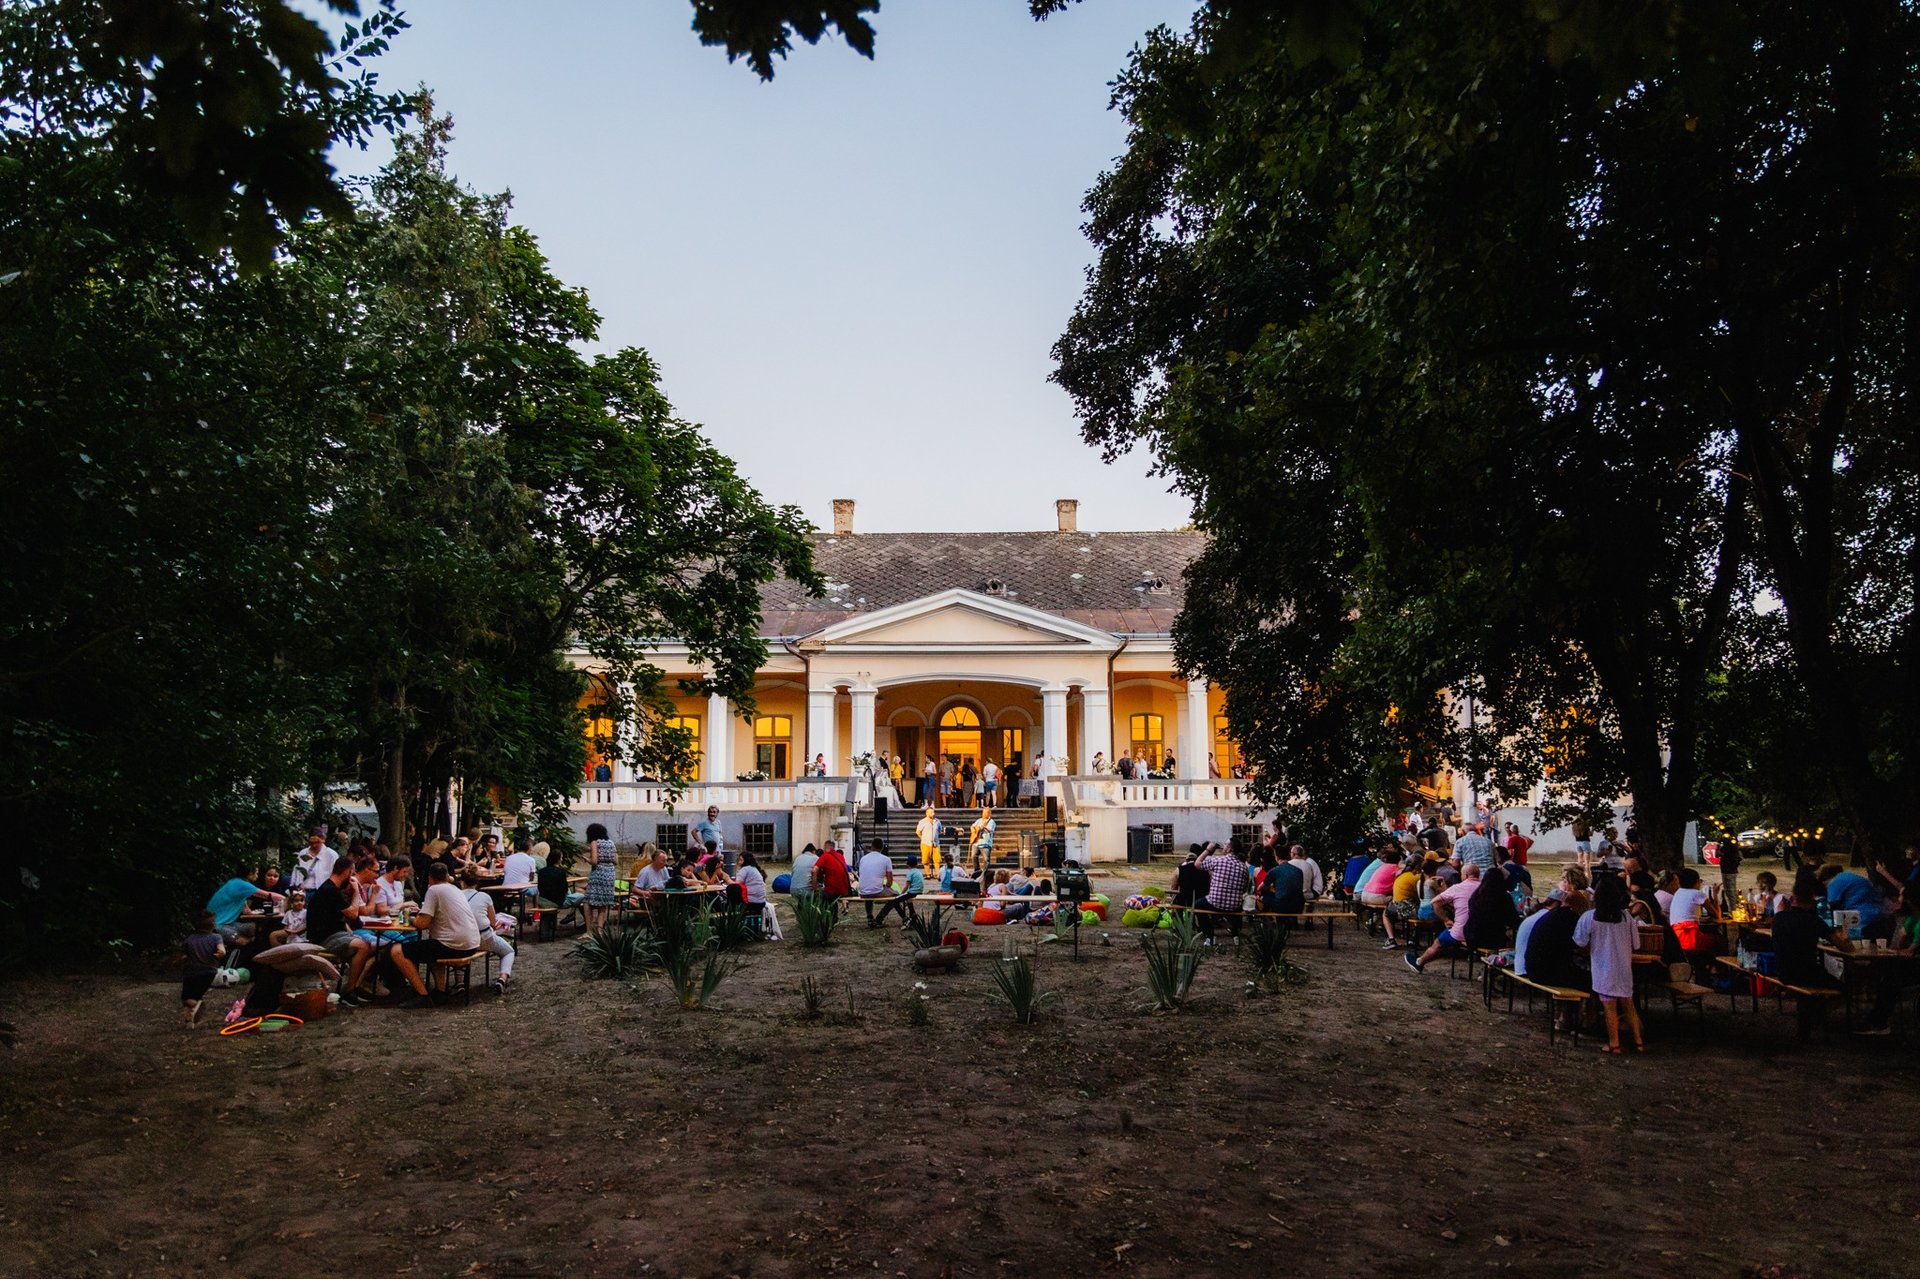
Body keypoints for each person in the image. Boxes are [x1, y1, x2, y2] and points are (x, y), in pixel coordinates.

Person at [1769, 869, 1846, 1041]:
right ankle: (1821, 1016)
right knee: (1845, 990)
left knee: (1811, 992)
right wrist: (1843, 934)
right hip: (1807, 972)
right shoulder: (1813, 921)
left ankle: (1814, 1017)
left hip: (1782, 970)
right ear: (1812, 898)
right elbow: (1844, 947)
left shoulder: (1780, 918)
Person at [389, 863, 480, 1007]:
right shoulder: (454, 889)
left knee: (396, 951)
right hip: (472, 943)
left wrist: (411, 919)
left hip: (453, 945)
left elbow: (422, 924)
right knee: (432, 944)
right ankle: (440, 991)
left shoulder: (434, 890)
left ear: (430, 878)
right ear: (446, 876)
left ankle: (422, 994)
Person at [1574, 870, 1645, 1053]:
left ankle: (1614, 1043)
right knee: (1629, 1005)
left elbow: (1579, 941)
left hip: (1602, 970)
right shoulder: (1626, 917)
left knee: (1609, 1008)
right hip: (1624, 969)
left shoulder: (1590, 917)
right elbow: (1636, 944)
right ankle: (1638, 1042)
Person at [1856, 890, 1920, 1036]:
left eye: (1902, 895)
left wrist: (1894, 952)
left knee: (1891, 980)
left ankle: (1879, 1022)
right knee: (1877, 969)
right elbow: (1899, 942)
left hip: (1915, 964)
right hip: (1906, 962)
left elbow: (1910, 952)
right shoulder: (1912, 918)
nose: (1899, 898)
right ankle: (1869, 1013)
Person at [1407, 864, 1481, 973]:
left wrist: (1446, 919)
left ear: (1465, 875)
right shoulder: (1485, 888)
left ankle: (1419, 962)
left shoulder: (1458, 888)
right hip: (1482, 933)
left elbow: (1435, 902)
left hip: (1461, 932)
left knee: (1438, 943)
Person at [458, 867, 514, 994]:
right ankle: (502, 978)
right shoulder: (484, 897)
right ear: (477, 882)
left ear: (462, 882)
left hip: (461, 939)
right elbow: (493, 922)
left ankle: (460, 982)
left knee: (459, 951)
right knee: (508, 951)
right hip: (484, 937)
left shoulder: (455, 896)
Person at [1819, 863, 1889, 938]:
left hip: (1862, 919)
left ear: (1825, 880)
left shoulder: (1835, 882)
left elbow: (1834, 907)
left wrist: (1838, 933)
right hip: (1879, 915)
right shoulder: (1850, 877)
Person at [1198, 842, 1249, 944]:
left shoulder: (1218, 860)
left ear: (1229, 848)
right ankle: (1235, 934)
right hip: (1234, 905)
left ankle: (1209, 935)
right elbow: (1244, 889)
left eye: (1225, 844)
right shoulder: (1244, 867)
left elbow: (1198, 863)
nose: (1223, 846)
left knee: (1197, 906)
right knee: (1238, 905)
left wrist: (1208, 850)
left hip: (1214, 902)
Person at [180, 912, 226, 1025]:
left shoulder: (189, 939)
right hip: (208, 972)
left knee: (186, 998)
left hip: (191, 972)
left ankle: (194, 1007)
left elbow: (184, 956)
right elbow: (222, 951)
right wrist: (220, 954)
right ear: (213, 924)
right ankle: (191, 1014)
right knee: (196, 995)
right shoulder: (216, 937)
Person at [583, 822, 617, 932]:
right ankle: (600, 930)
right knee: (603, 904)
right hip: (610, 874)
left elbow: (594, 861)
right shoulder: (611, 843)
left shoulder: (594, 842)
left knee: (588, 902)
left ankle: (588, 930)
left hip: (598, 874)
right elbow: (615, 860)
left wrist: (586, 859)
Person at [1384, 854, 1423, 950]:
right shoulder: (1417, 877)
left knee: (1385, 914)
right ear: (1418, 865)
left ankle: (1391, 939)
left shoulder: (1401, 875)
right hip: (1408, 909)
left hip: (1396, 908)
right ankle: (1413, 938)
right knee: (1421, 910)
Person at [288, 828, 337, 893]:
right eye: (311, 843)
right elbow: (296, 871)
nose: (314, 845)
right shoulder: (303, 853)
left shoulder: (331, 855)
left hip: (321, 892)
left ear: (323, 840)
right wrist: (293, 887)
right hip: (301, 892)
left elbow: (335, 875)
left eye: (317, 842)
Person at [1172, 845, 1209, 911]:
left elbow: (1174, 887)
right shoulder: (1205, 870)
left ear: (1186, 860)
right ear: (1197, 859)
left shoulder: (1179, 869)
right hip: (1201, 901)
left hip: (1184, 901)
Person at [916, 808, 942, 876]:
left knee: (937, 860)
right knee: (925, 860)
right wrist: (923, 838)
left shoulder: (937, 821)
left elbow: (939, 831)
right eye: (930, 812)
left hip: (935, 843)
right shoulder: (922, 822)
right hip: (925, 843)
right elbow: (918, 832)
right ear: (927, 813)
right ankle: (928, 874)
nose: (932, 814)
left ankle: (937, 874)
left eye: (933, 812)